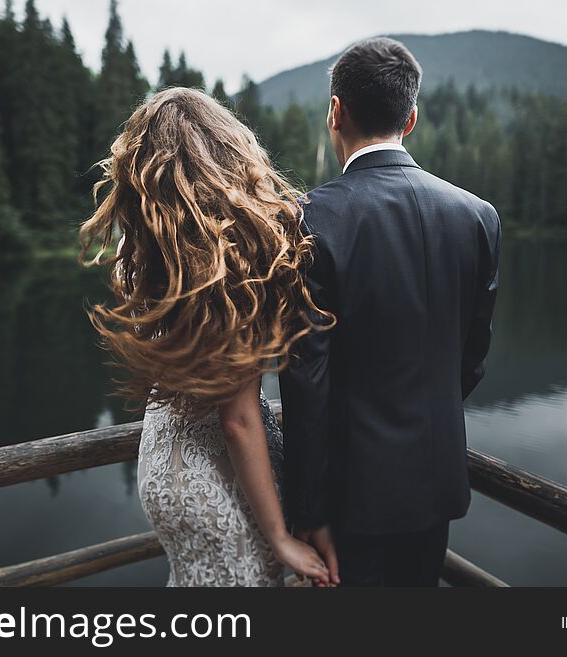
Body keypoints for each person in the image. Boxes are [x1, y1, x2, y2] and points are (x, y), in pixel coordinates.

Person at [78, 87, 336, 586]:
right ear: (227, 155)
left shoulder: (147, 252)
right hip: (219, 471)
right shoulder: (228, 266)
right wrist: (281, 537)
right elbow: (237, 419)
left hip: (160, 464)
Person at [279, 37, 502, 587]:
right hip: (436, 486)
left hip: (351, 500)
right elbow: (472, 357)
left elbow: (306, 383)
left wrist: (310, 512)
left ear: (336, 112)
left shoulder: (311, 219)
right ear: (412, 118)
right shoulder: (477, 215)